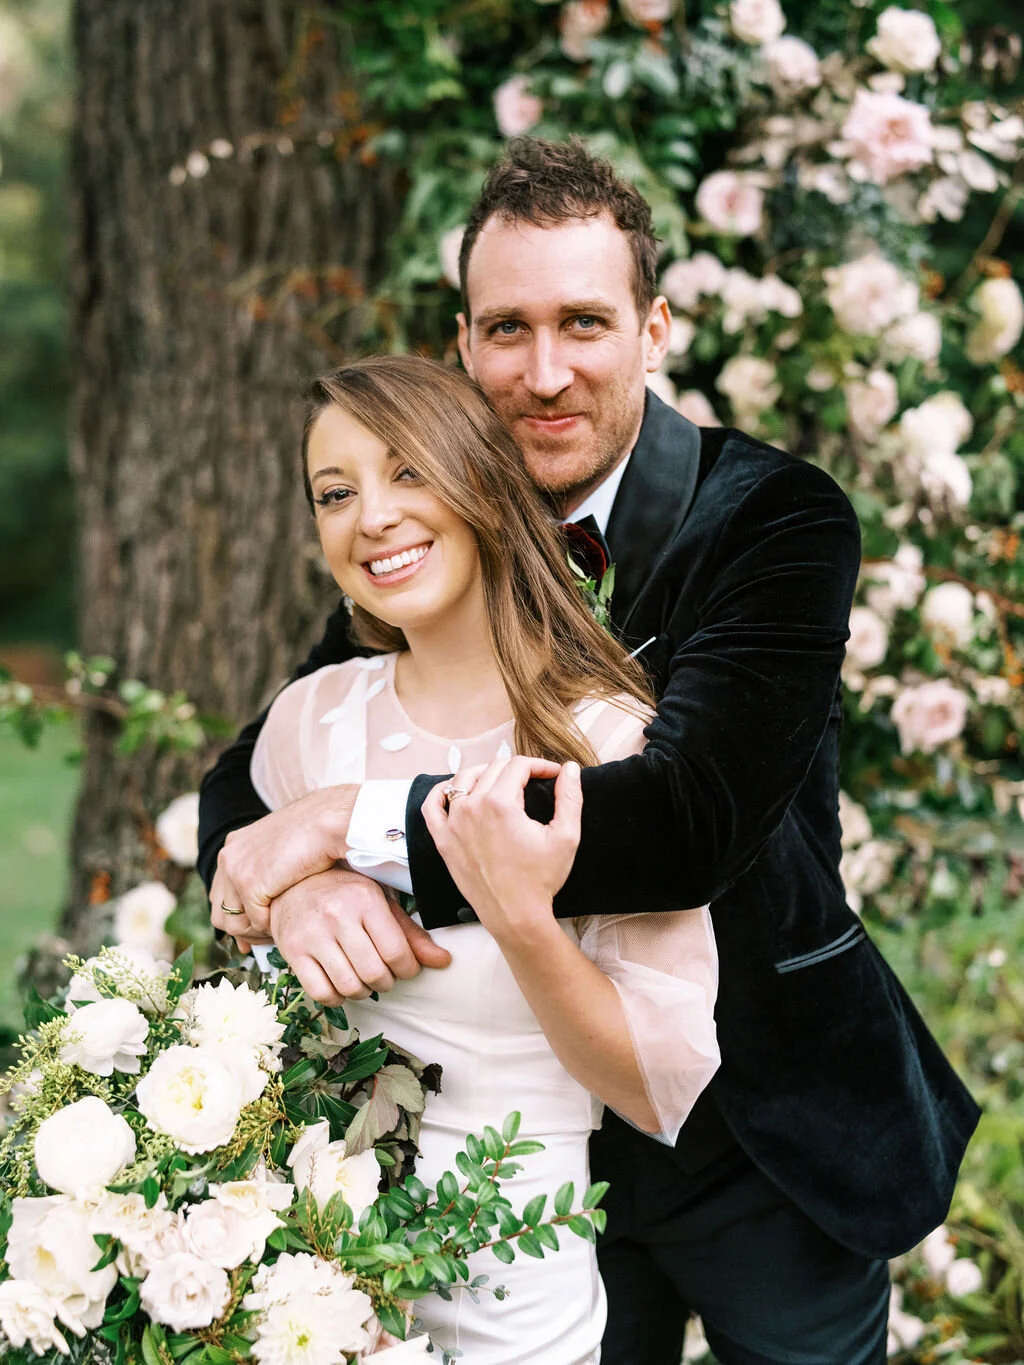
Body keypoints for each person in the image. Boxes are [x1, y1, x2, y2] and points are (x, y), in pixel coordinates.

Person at [199, 138, 980, 1364]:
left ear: (654, 327)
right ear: (463, 343)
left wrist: (347, 823)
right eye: (506, 329)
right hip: (517, 1153)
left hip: (758, 1124)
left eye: (584, 323)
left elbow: (686, 823)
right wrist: (304, 885)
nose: (543, 373)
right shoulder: (429, 533)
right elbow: (251, 782)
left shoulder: (774, 518)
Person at [248, 353, 721, 1362]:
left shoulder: (607, 743)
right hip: (308, 1290)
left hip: (516, 1293)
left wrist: (520, 919)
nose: (370, 516)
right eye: (335, 493)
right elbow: (242, 905)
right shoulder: (307, 724)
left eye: (407, 471)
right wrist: (299, 894)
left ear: (485, 484)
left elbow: (658, 1085)